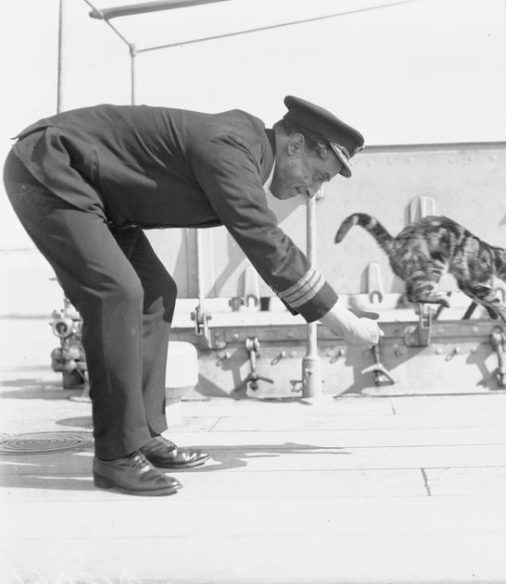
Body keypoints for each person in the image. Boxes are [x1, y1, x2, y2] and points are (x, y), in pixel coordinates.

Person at [3, 96, 382, 496]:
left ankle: (143, 433)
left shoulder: (246, 151)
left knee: (154, 293)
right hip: (51, 168)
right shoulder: (233, 148)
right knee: (116, 292)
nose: (312, 190)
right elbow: (264, 240)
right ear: (295, 146)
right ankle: (116, 456)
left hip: (97, 194)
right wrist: (342, 320)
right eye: (319, 176)